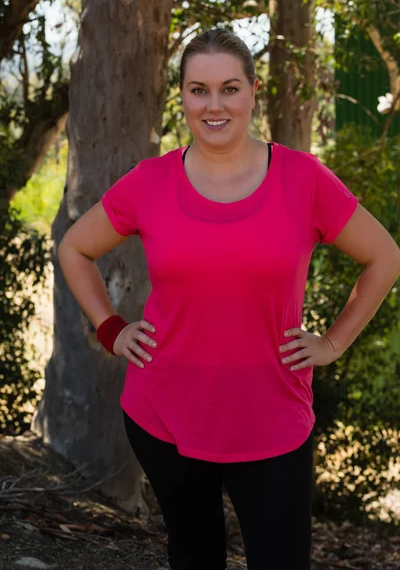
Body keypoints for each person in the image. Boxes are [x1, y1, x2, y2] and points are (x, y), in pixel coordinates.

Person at [58, 28, 400, 570]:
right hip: (164, 414)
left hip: (272, 418)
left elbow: (385, 256)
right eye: (199, 89)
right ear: (183, 96)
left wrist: (334, 342)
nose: (214, 105)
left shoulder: (303, 179)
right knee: (195, 558)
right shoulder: (150, 182)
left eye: (229, 87)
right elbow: (74, 248)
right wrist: (111, 328)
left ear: (252, 91)